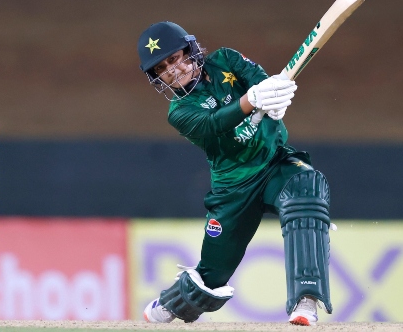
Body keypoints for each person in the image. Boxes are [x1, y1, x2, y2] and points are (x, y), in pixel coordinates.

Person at [137, 22, 332, 326]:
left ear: (190, 51)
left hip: (274, 163)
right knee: (211, 277)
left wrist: (274, 96)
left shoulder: (226, 60)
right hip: (233, 188)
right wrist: (252, 100)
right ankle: (171, 302)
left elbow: (263, 82)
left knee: (306, 187)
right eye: (162, 68)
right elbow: (215, 123)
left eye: (174, 58)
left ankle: (306, 301)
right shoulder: (179, 112)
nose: (172, 70)